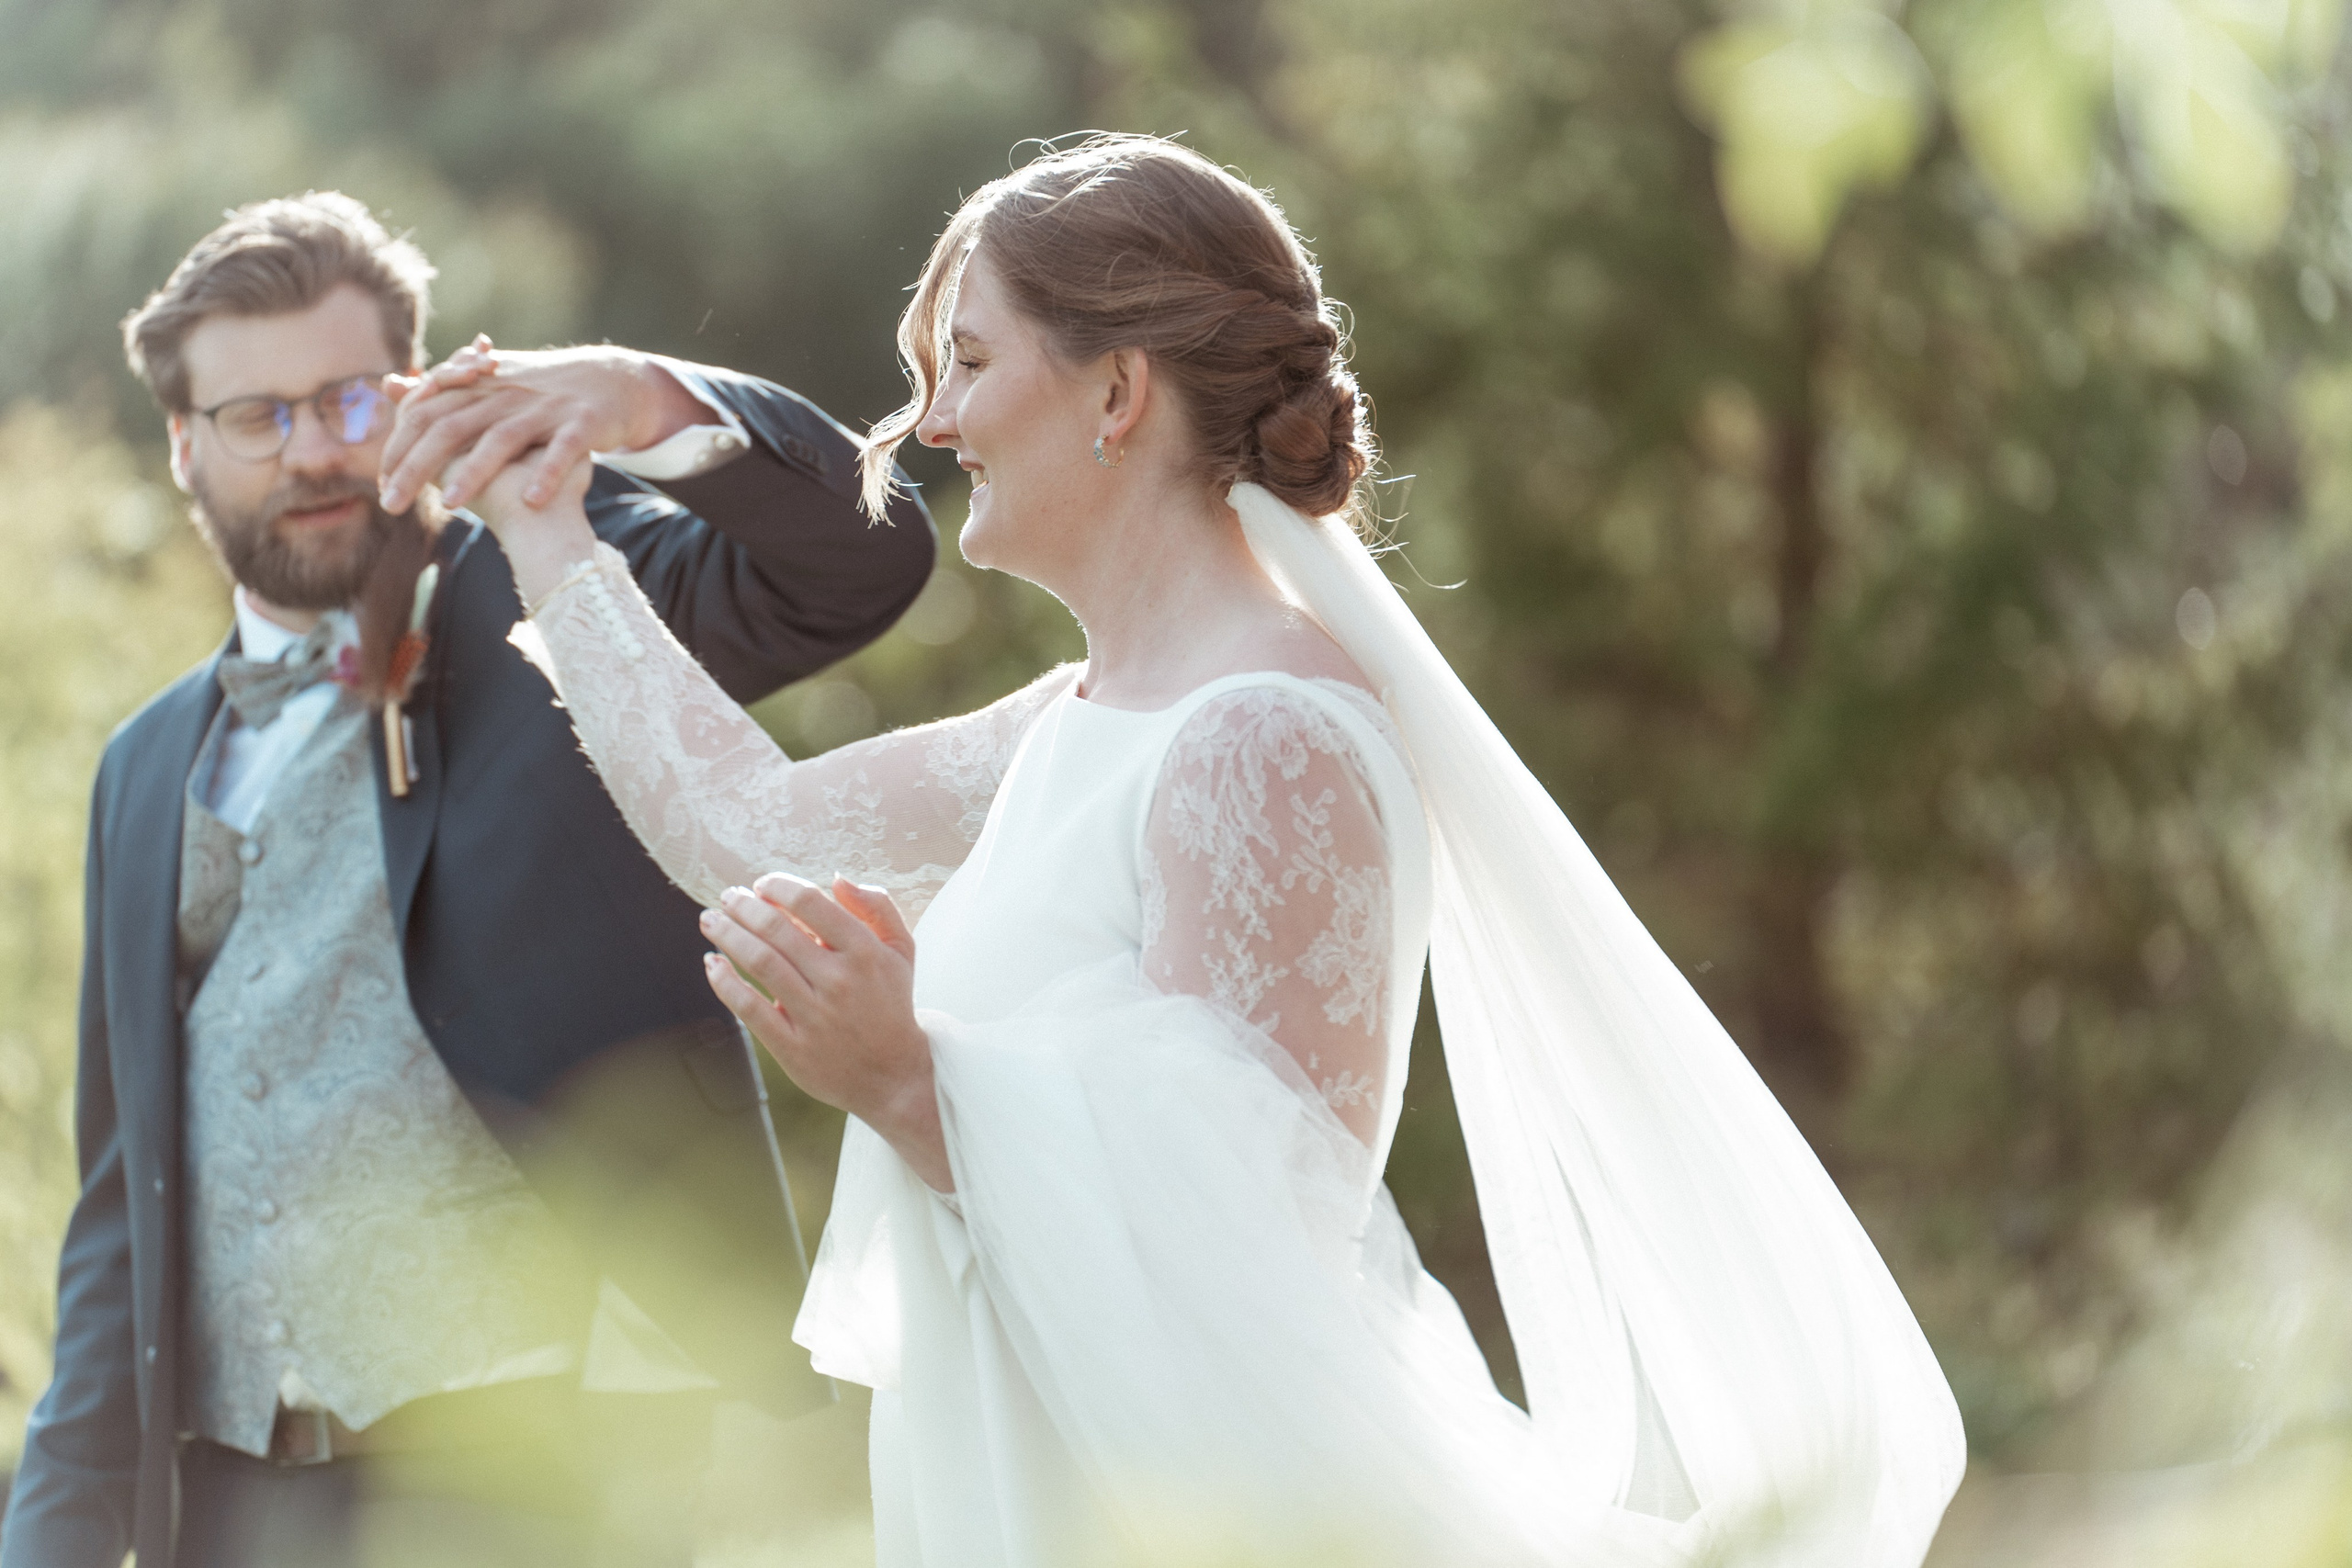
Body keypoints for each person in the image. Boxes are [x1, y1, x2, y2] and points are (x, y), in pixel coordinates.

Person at [443, 135, 1966, 1566]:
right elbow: (747, 831)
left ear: (1117, 394)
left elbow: (1258, 1251)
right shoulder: (1083, 715)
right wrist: (546, 521)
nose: (937, 424)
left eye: (969, 364)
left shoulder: (1265, 738)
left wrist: (912, 1081)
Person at [0, 191, 936, 1568]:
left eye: (350, 400)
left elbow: (860, 559)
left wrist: (638, 395)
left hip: (535, 1470)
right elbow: (122, 1202)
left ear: (421, 391)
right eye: (260, 417)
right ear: (184, 447)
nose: (314, 449)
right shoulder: (143, 766)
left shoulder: (569, 591)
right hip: (225, 1500)